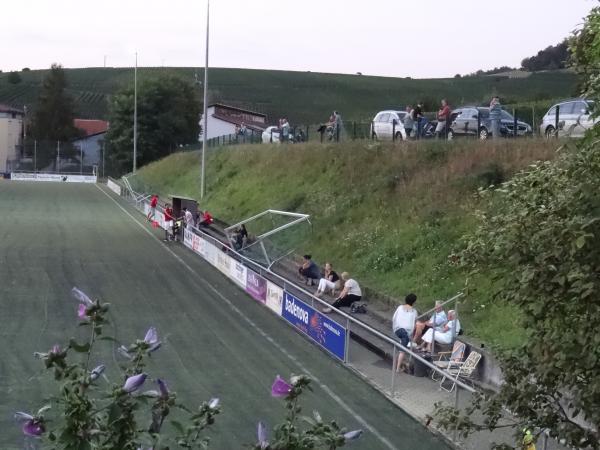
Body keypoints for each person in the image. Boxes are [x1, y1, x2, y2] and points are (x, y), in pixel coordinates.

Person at [392, 294, 418, 372]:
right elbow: (415, 322)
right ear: (414, 302)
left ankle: (398, 366)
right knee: (402, 350)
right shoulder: (414, 311)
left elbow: (394, 318)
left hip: (397, 329)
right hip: (404, 332)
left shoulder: (400, 307)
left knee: (402, 347)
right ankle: (397, 369)